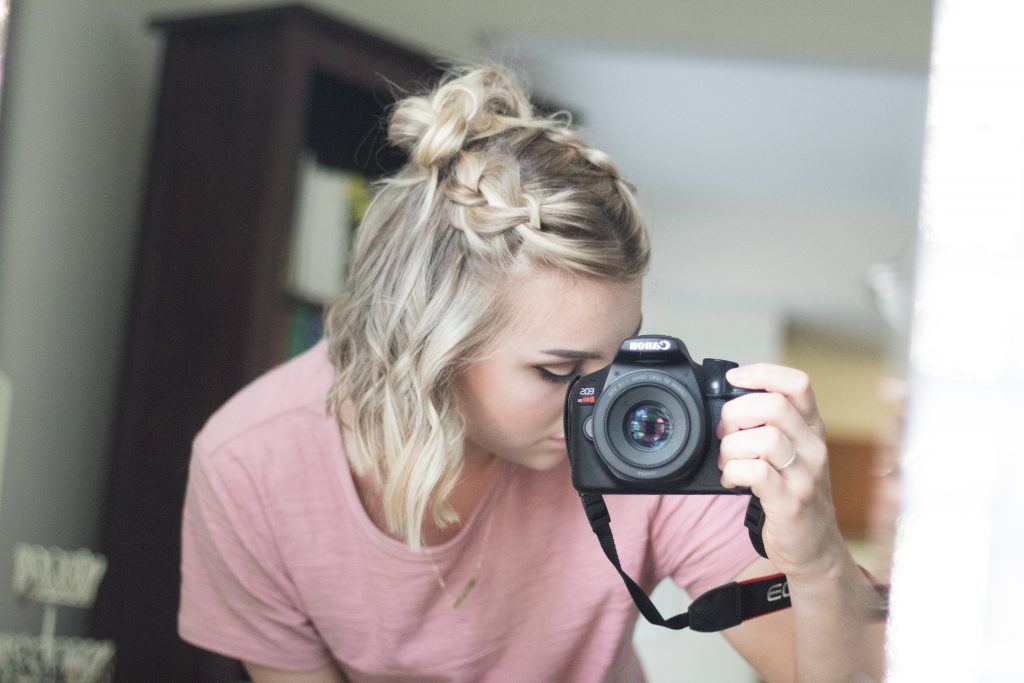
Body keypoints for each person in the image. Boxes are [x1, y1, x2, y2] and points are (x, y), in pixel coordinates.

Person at [178, 66, 884, 683]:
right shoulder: (252, 465)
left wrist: (817, 554)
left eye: (620, 355)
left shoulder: (653, 432)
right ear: (430, 347)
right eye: (558, 370)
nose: (604, 402)